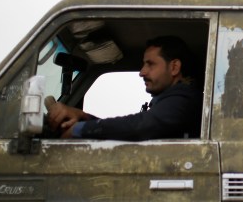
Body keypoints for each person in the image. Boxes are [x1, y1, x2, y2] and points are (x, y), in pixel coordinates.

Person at [46, 35, 203, 140]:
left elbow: (141, 126)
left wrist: (80, 129)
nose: (142, 72)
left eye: (150, 64)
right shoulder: (171, 101)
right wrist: (85, 117)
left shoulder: (185, 99)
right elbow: (132, 126)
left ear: (174, 67)